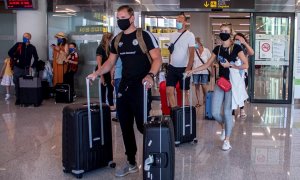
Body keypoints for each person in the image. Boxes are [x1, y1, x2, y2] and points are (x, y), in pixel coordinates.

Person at [87, 5, 162, 177]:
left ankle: (152, 156)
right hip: (124, 87)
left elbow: (158, 58)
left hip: (141, 87)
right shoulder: (117, 39)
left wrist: (150, 75)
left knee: (143, 126)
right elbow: (110, 62)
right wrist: (97, 73)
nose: (120, 21)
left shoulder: (144, 35)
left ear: (132, 17)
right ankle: (131, 162)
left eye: (123, 17)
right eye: (118, 18)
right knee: (125, 126)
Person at [187, 23, 248, 151]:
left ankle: (227, 140)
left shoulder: (236, 48)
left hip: (231, 84)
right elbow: (207, 64)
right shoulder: (217, 49)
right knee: (214, 112)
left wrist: (230, 66)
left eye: (226, 31)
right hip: (220, 83)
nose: (223, 33)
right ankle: (225, 127)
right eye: (221, 31)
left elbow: (245, 65)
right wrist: (192, 71)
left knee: (226, 112)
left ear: (230, 33)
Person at [166, 13, 195, 108]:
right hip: (172, 67)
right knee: (169, 91)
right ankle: (175, 113)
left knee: (184, 92)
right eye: (176, 21)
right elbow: (171, 52)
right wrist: (169, 63)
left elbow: (192, 54)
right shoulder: (172, 35)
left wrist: (188, 68)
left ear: (185, 22)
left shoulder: (190, 35)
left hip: (184, 68)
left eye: (180, 21)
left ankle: (184, 114)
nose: (177, 23)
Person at [8, 32, 39, 105]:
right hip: (17, 68)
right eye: (24, 37)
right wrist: (15, 58)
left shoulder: (32, 47)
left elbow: (36, 58)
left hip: (26, 69)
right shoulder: (18, 44)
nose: (24, 38)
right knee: (17, 84)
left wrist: (32, 66)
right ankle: (18, 99)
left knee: (25, 84)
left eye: (26, 37)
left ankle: (25, 99)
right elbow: (10, 52)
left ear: (29, 38)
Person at [232, 33, 254, 118]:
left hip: (243, 73)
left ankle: (242, 109)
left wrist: (244, 43)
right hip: (233, 73)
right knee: (233, 92)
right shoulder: (232, 48)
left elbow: (252, 52)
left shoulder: (244, 48)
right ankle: (232, 110)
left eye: (239, 39)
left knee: (242, 91)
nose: (238, 41)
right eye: (236, 39)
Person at [95, 32, 115, 111]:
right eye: (111, 39)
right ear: (107, 39)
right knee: (103, 88)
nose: (111, 40)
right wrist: (101, 76)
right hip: (102, 70)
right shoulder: (100, 48)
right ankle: (103, 105)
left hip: (107, 70)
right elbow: (99, 64)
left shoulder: (109, 48)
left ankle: (110, 104)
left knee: (110, 87)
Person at [193, 37, 211, 107]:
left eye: (196, 43)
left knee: (204, 85)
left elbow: (210, 61)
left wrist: (212, 70)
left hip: (205, 71)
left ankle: (205, 97)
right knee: (196, 86)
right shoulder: (194, 51)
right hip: (195, 71)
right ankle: (198, 101)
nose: (195, 44)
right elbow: (191, 61)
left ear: (200, 43)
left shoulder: (206, 51)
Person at [111, 57, 122, 122]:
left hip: (118, 77)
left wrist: (112, 78)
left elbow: (112, 68)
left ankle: (118, 117)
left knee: (119, 98)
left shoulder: (117, 57)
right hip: (126, 77)